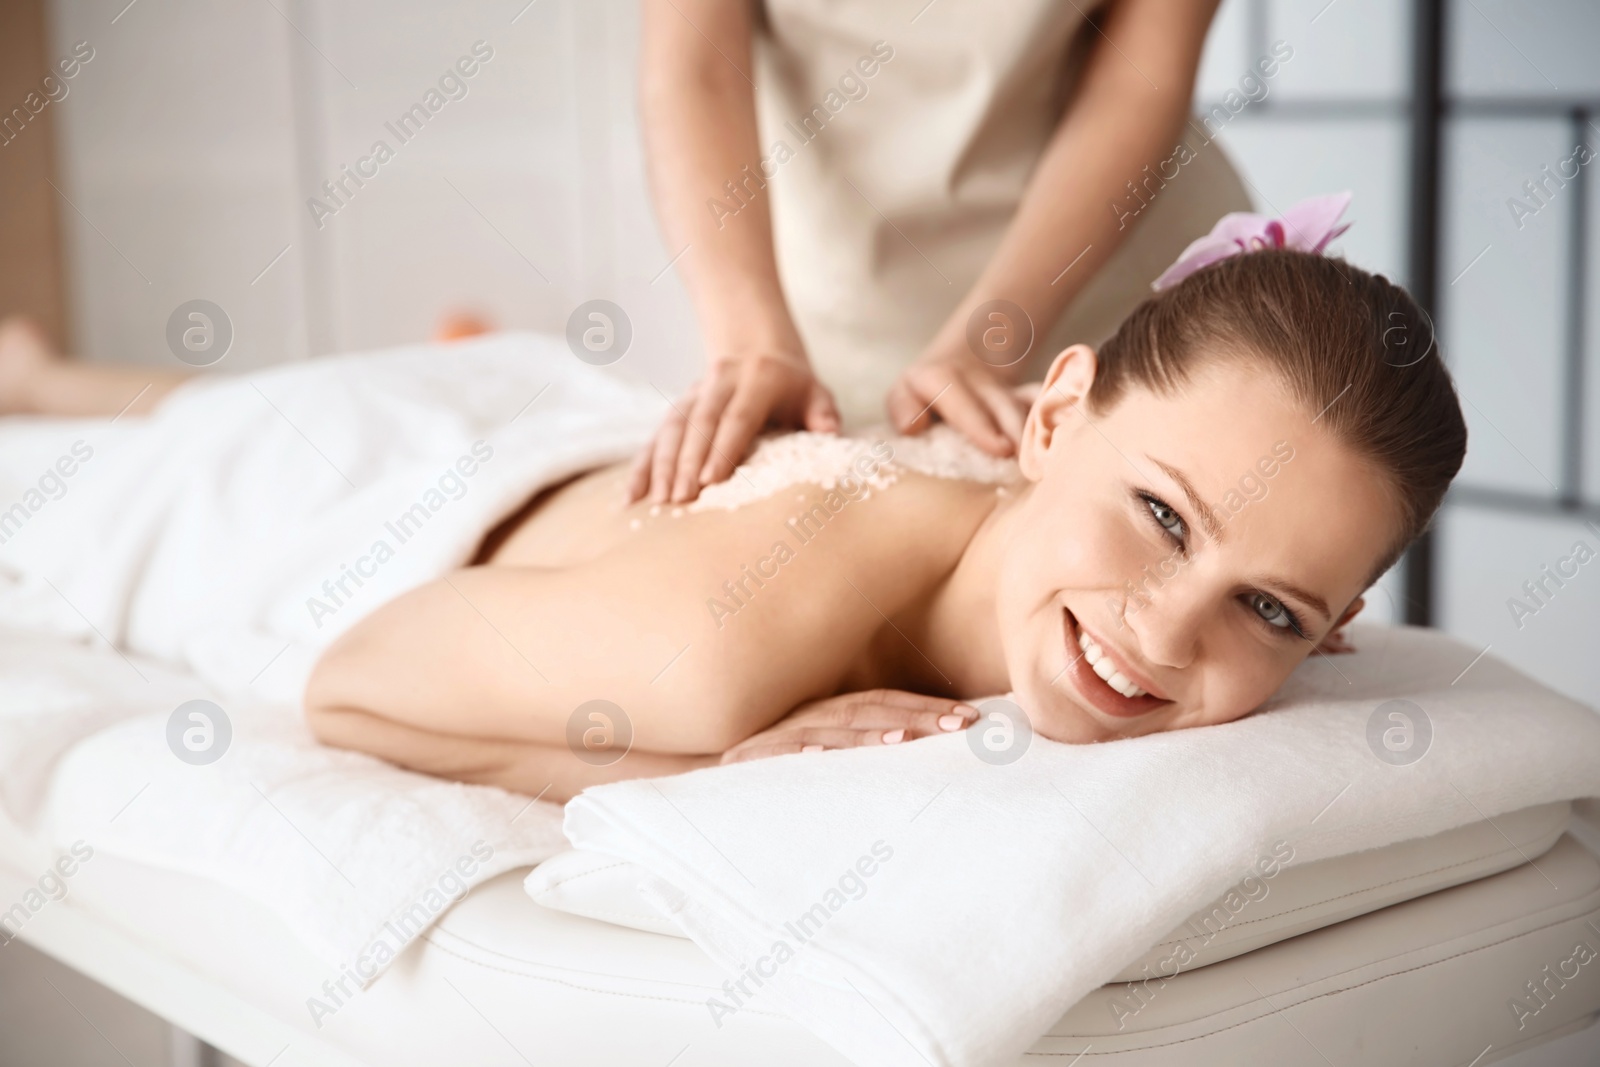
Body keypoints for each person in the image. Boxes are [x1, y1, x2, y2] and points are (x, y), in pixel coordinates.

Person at [0, 218, 1469, 804]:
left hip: (533, 424)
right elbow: (358, 691)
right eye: (1158, 515)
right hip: (336, 500)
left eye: (1270, 607)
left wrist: (1259, 594)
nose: (1163, 630)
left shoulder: (1179, 587)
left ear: (1333, 632)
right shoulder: (716, 647)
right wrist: (696, 768)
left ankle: (54, 370)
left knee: (235, 390)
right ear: (1053, 411)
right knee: (157, 449)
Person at [630, 0, 1253, 505]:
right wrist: (752, 341)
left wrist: (993, 336)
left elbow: (1138, 81)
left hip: (1102, 267)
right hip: (833, 296)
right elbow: (696, 70)